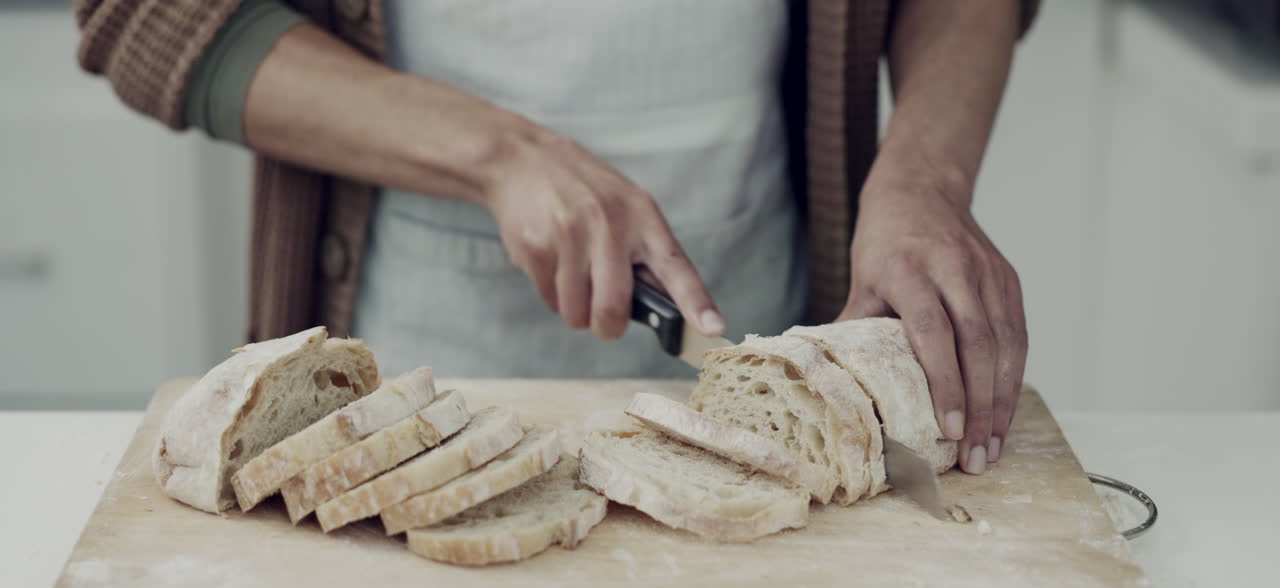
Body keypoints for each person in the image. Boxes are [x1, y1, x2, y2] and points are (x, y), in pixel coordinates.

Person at [74, 0, 1035, 475]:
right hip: (405, 359)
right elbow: (144, 14)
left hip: (765, 297)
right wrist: (496, 153)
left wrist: (925, 175)